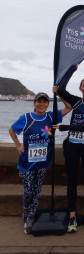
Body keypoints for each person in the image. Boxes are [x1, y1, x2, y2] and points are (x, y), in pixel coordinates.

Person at [8, 92, 71, 234]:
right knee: (29, 190)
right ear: (34, 103)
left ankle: (30, 216)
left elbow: (69, 107)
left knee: (37, 191)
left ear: (48, 104)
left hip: (43, 162)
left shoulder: (50, 117)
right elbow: (12, 130)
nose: (42, 104)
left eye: (45, 102)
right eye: (39, 101)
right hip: (27, 164)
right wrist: (18, 145)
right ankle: (26, 209)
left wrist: (58, 93)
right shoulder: (26, 118)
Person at [53, 77, 84, 233]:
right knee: (72, 181)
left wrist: (65, 126)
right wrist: (72, 69)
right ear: (80, 88)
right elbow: (60, 88)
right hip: (72, 145)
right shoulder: (76, 101)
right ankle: (72, 216)